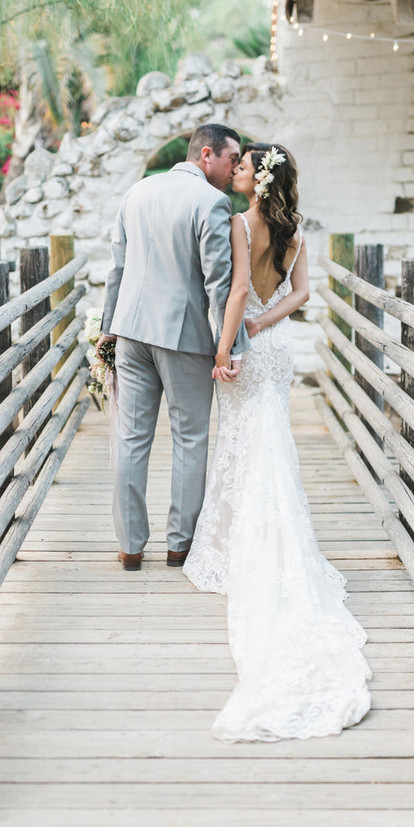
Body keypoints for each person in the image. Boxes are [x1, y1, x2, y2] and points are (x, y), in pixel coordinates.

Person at [183, 143, 372, 742]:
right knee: (269, 440)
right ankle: (265, 530)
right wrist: (269, 323)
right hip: (277, 347)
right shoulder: (293, 229)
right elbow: (302, 293)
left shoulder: (241, 224)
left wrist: (226, 346)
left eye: (243, 167)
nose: (235, 171)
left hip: (246, 347)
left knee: (245, 439)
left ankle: (242, 537)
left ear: (257, 181)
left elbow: (238, 291)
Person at [96, 123, 249, 571]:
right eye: (231, 158)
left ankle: (129, 546)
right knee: (190, 438)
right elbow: (218, 282)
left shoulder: (137, 192)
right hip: (183, 338)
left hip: (130, 333)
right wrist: (230, 346)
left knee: (130, 438)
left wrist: (108, 328)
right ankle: (180, 545)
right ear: (206, 154)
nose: (235, 167)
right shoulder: (211, 202)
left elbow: (117, 267)